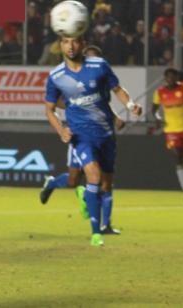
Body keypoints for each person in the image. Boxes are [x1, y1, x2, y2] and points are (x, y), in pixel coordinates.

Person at [44, 35, 142, 247]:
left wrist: (130, 105)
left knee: (106, 183)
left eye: (75, 41)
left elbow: (117, 90)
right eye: (66, 41)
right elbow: (50, 109)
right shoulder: (57, 76)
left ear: (83, 43)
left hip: (105, 134)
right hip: (81, 136)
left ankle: (104, 223)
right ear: (60, 45)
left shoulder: (99, 66)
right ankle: (96, 232)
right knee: (93, 176)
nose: (71, 46)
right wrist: (61, 130)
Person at [40, 45, 126, 224]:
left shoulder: (98, 79)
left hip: (100, 134)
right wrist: (76, 105)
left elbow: (100, 105)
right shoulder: (68, 80)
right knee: (73, 179)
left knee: (101, 178)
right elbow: (55, 103)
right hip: (79, 135)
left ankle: (104, 224)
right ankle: (53, 183)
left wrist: (115, 117)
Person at [152, 68, 183, 201]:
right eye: (168, 76)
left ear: (177, 77)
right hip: (171, 130)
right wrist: (157, 118)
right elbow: (154, 109)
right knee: (178, 156)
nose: (171, 79)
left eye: (173, 76)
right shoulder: (160, 92)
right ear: (165, 78)